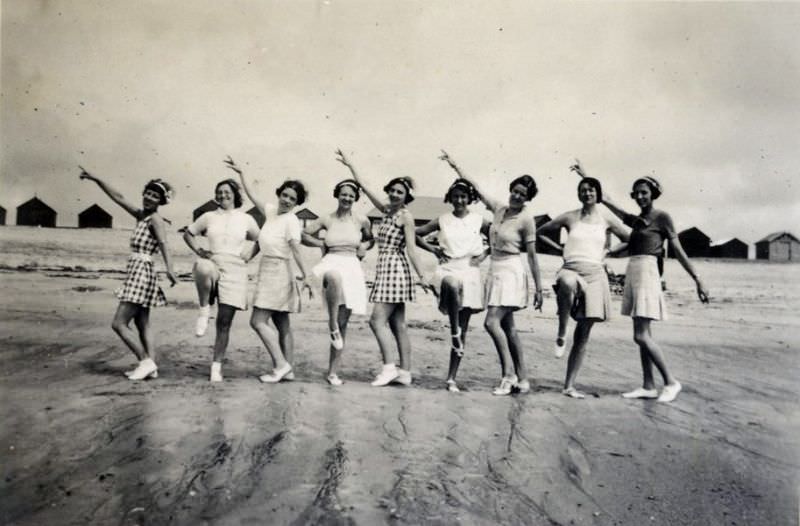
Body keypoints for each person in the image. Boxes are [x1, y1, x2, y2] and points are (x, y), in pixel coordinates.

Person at [571, 161, 709, 403]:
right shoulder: (637, 221)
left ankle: (671, 382)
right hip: (634, 269)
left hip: (648, 272)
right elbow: (609, 203)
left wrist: (697, 279)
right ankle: (648, 385)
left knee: (641, 335)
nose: (641, 197)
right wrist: (587, 176)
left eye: (645, 192)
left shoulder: (662, 217)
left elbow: (677, 250)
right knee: (643, 332)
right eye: (637, 193)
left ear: (653, 194)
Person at [439, 151, 543, 395]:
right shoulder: (499, 209)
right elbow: (476, 186)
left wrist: (539, 288)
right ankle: (523, 379)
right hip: (494, 271)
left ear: (528, 199)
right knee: (509, 328)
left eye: (522, 194)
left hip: (512, 271)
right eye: (515, 191)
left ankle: (508, 375)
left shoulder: (527, 219)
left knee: (491, 322)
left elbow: (532, 255)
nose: (517, 196)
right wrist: (456, 166)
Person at [334, 149, 431, 387]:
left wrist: (423, 276)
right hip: (385, 269)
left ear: (406, 197)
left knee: (376, 321)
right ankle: (405, 372)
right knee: (398, 324)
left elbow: (411, 249)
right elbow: (365, 187)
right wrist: (351, 166)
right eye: (393, 191)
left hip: (395, 270)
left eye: (401, 192)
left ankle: (389, 368)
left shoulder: (405, 217)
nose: (396, 194)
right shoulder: (388, 210)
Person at [79, 166, 177, 380]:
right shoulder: (141, 215)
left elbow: (164, 244)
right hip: (139, 271)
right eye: (148, 193)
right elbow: (118, 197)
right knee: (143, 323)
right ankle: (152, 368)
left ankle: (145, 361)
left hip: (142, 272)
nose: (149, 198)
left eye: (155, 196)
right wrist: (96, 178)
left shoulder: (156, 220)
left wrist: (170, 269)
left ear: (161, 201)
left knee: (119, 324)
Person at [536, 176, 629, 398]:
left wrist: (610, 252)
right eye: (583, 190)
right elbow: (540, 231)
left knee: (584, 332)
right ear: (579, 194)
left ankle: (569, 385)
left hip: (595, 273)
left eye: (591, 190)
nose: (587, 194)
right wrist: (560, 249)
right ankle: (561, 332)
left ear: (598, 194)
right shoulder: (570, 216)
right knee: (566, 282)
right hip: (571, 268)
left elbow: (630, 238)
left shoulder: (606, 219)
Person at [224, 156, 312, 383]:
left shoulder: (292, 221)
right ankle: (288, 370)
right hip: (267, 269)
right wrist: (241, 173)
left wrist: (306, 275)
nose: (287, 200)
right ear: (279, 194)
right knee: (282, 323)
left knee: (258, 321)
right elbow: (252, 194)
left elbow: (295, 249)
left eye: (292, 198)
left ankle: (281, 365)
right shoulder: (271, 212)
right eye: (284, 195)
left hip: (279, 272)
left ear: (297, 202)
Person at [415, 178, 490, 393]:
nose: (459, 200)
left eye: (463, 196)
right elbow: (415, 233)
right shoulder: (443, 219)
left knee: (463, 329)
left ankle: (451, 378)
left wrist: (483, 255)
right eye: (456, 196)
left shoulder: (479, 220)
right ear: (450, 198)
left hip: (470, 270)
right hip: (448, 269)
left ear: (469, 199)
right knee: (451, 283)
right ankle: (454, 331)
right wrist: (432, 249)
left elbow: (499, 236)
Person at [183, 178, 260, 382]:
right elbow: (189, 234)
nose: (222, 195)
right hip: (214, 261)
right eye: (219, 192)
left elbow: (261, 239)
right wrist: (199, 250)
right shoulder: (208, 216)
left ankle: (216, 366)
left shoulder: (246, 218)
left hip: (236, 268)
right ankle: (203, 310)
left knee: (224, 322)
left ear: (235, 194)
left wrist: (249, 256)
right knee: (202, 265)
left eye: (227, 192)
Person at [301, 178, 374, 386]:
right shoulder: (327, 218)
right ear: (337, 195)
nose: (347, 198)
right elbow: (304, 234)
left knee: (344, 321)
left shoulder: (361, 220)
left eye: (351, 195)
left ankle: (333, 372)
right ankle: (330, 323)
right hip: (331, 260)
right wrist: (320, 243)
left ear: (355, 198)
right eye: (343, 194)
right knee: (333, 276)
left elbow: (370, 239)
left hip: (352, 264)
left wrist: (364, 247)